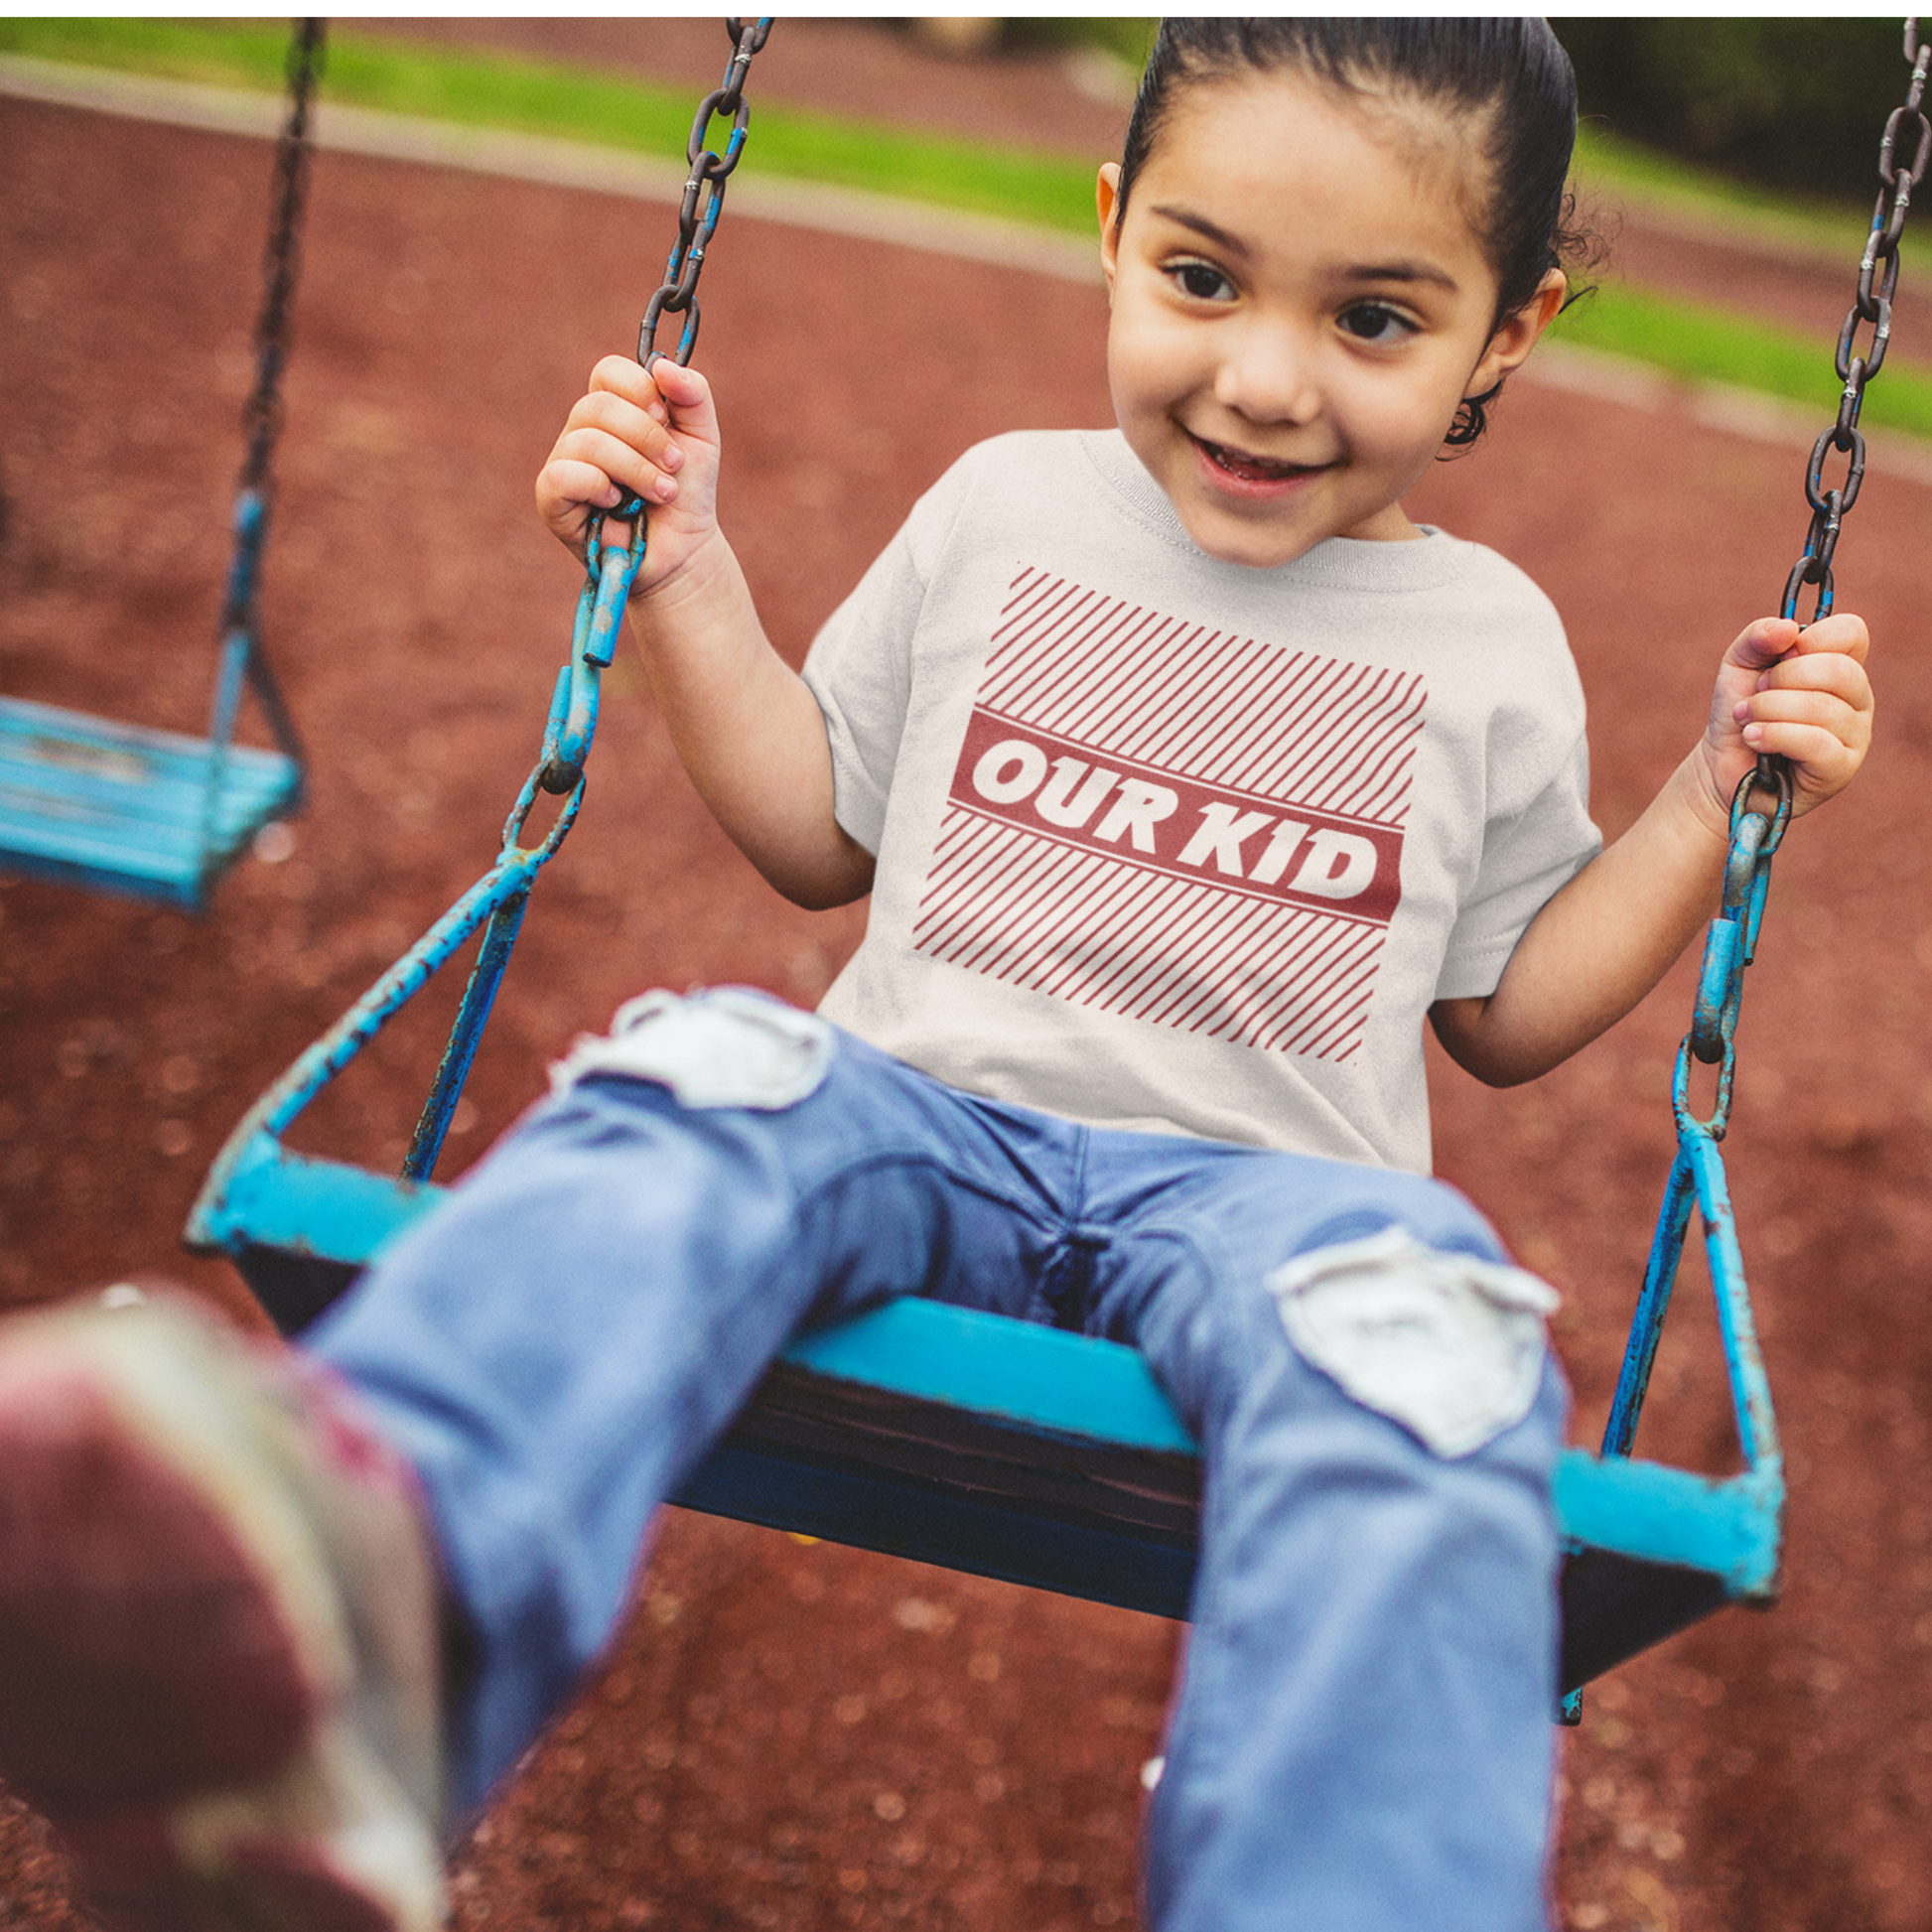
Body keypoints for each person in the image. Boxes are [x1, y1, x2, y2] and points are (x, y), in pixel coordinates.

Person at [0, 19, 1875, 1932]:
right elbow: (825, 832)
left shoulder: (1488, 638)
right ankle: (365, 1632)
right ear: (1111, 224)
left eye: (1374, 321)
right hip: (906, 1112)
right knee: (705, 1087)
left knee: (1430, 1350)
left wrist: (1710, 794)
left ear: (1507, 333)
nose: (1261, 380)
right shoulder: (1004, 504)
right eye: (1200, 276)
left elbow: (1506, 1012)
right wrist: (684, 569)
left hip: (1277, 1206)